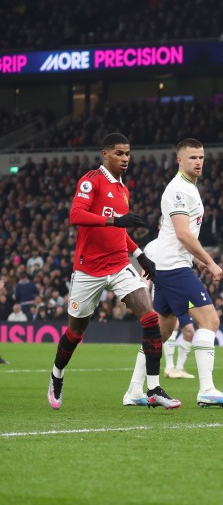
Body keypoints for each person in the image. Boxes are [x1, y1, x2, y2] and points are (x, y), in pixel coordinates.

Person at [47, 133, 179, 410]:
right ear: (105, 154)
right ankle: (57, 374)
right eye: (119, 153)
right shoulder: (91, 180)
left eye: (128, 153)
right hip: (89, 269)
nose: (125, 159)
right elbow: (76, 215)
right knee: (75, 333)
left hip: (119, 265)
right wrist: (115, 220)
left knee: (150, 318)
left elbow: (120, 232)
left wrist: (141, 256)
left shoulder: (123, 190)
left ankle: (153, 389)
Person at [123, 138, 223, 408]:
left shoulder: (189, 188)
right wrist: (209, 261)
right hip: (172, 266)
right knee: (209, 321)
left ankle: (133, 391)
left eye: (201, 157)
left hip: (169, 263)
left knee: (162, 333)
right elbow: (183, 233)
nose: (198, 161)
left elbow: (182, 237)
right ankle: (207, 390)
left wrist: (195, 260)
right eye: (192, 158)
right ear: (180, 160)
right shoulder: (178, 189)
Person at [162, 314, 195, 379]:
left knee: (189, 331)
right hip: (173, 304)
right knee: (173, 326)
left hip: (186, 304)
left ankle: (179, 368)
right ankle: (169, 368)